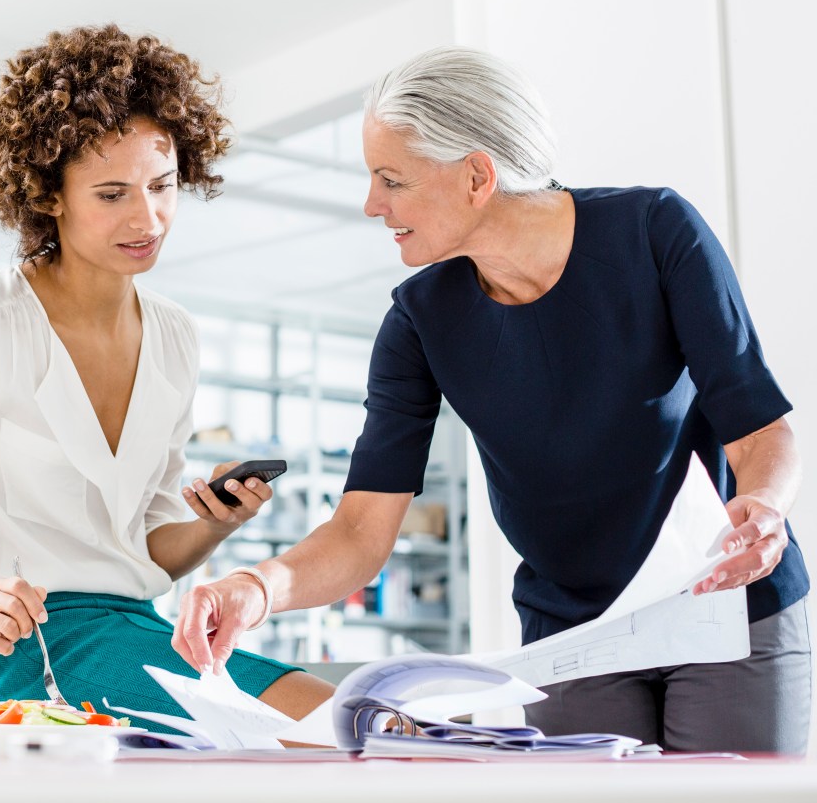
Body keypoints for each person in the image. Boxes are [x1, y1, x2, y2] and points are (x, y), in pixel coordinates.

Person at [172, 45, 811, 754]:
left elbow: (760, 431)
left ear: (477, 175)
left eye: (392, 180)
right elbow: (360, 532)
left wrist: (765, 508)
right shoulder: (419, 320)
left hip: (725, 606)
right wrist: (254, 588)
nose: (371, 204)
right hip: (577, 636)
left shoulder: (654, 233)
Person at [0, 24, 333, 727]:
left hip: (140, 632)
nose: (149, 217)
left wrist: (216, 524)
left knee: (360, 722)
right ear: (47, 195)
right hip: (34, 654)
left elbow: (144, 554)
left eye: (163, 185)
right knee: (325, 727)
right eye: (112, 194)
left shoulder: (174, 336)